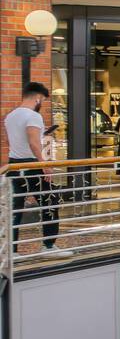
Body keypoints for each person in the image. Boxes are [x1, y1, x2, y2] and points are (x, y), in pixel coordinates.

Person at [5, 82, 68, 257]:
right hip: (31, 165)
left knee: (16, 208)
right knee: (50, 202)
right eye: (43, 100)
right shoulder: (33, 116)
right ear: (38, 98)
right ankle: (48, 246)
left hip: (14, 165)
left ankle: (12, 250)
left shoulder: (10, 116)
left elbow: (10, 142)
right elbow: (33, 143)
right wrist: (44, 165)